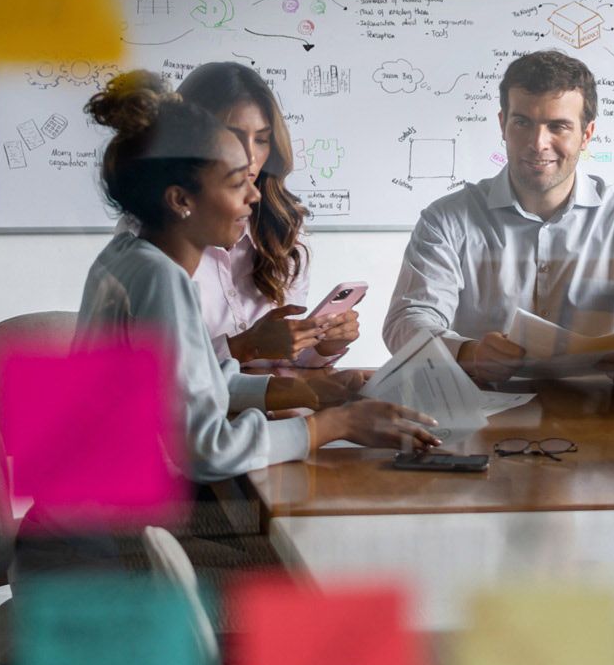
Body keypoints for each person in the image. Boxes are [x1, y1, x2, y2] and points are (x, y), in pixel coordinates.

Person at [77, 70, 439, 484]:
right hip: (125, 532)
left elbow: (197, 380)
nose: (253, 193)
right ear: (180, 199)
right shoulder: (162, 278)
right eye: (235, 183)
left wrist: (318, 391)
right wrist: (335, 425)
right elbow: (207, 450)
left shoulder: (125, 258)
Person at [383, 49, 614, 384]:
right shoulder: (447, 220)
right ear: (503, 124)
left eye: (558, 126)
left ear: (586, 134)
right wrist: (469, 354)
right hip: (481, 409)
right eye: (522, 122)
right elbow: (407, 322)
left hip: (604, 414)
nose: (537, 143)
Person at [174, 61, 358, 370]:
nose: (248, 157)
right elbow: (155, 373)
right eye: (231, 136)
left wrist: (324, 345)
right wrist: (244, 346)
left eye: (261, 139)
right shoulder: (152, 236)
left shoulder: (284, 228)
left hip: (273, 407)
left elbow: (287, 361)